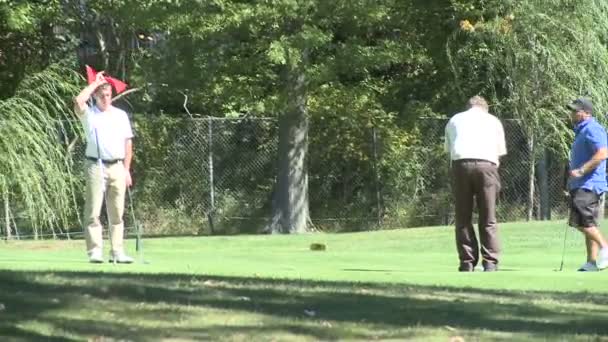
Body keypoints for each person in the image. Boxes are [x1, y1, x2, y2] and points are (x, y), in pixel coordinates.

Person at [73, 71, 134, 263]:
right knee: (93, 212)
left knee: (117, 212)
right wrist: (94, 84)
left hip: (117, 166)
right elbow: (78, 101)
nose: (106, 98)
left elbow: (128, 144)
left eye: (108, 95)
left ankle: (117, 251)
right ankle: (95, 251)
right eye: (101, 95)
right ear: (96, 96)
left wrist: (126, 170)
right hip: (95, 165)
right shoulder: (89, 115)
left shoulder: (121, 115)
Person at [445, 96, 507, 272]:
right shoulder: (493, 121)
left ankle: (467, 262)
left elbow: (449, 150)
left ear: (468, 106)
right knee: (488, 216)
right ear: (485, 108)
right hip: (487, 165)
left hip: (460, 165)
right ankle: (490, 262)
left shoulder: (455, 119)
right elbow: (500, 152)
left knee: (463, 217)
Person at [566, 97, 608, 271]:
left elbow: (602, 153)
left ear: (586, 113)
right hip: (581, 183)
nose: (572, 113)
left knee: (581, 222)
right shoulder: (581, 130)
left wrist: (581, 171)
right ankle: (591, 262)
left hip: (590, 183)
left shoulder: (593, 128)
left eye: (576, 111)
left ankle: (605, 248)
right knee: (587, 222)